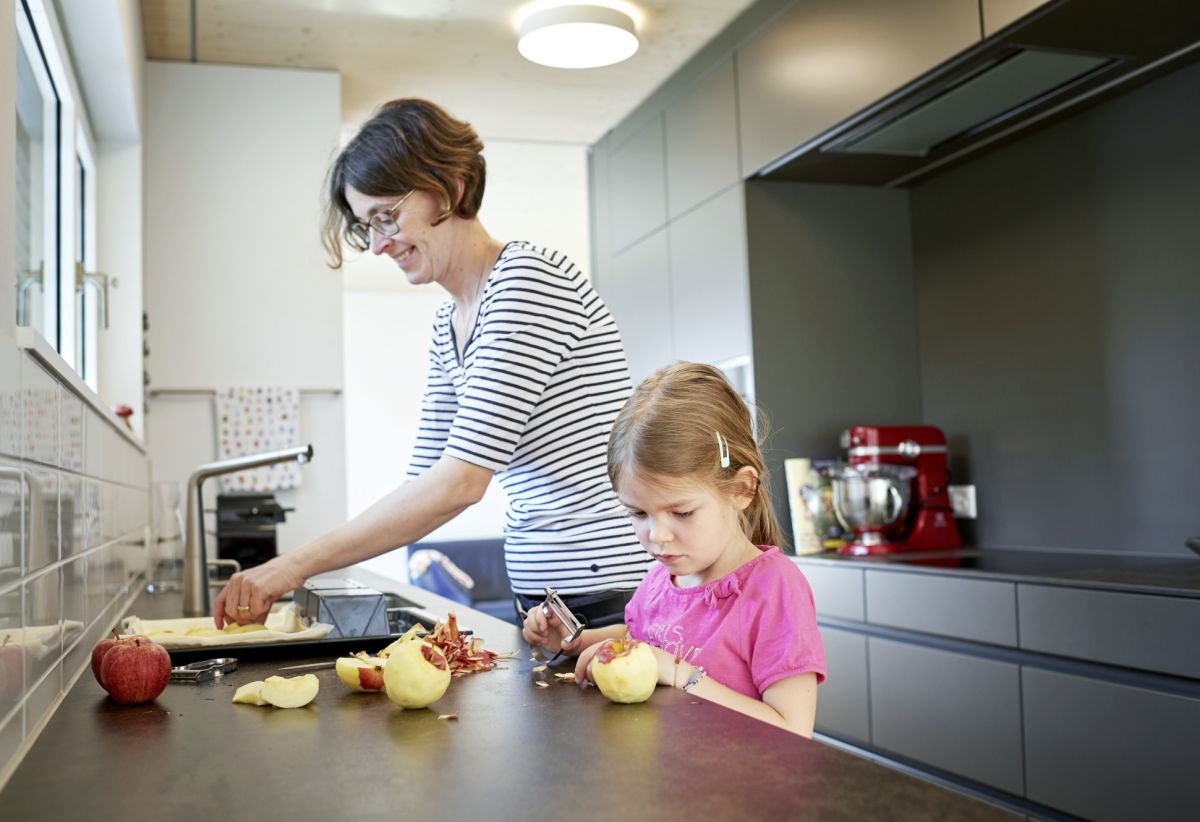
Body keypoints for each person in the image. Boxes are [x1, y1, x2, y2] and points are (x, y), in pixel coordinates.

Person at [214, 99, 651, 628]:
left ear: (450, 188)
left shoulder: (526, 282)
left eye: (386, 216)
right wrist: (298, 567)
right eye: (366, 226)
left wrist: (293, 566)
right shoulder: (451, 324)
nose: (378, 245)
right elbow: (423, 482)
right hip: (545, 597)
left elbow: (459, 483)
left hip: (607, 586)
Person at [522, 362, 827, 737]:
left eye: (681, 512)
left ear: (741, 490)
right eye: (638, 513)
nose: (657, 536)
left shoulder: (775, 590)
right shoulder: (661, 579)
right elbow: (643, 639)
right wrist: (576, 642)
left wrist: (676, 671)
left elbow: (794, 730)